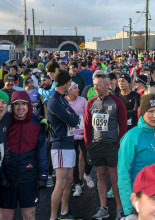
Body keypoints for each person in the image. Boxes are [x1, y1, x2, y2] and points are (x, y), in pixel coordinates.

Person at [118, 94, 155, 217]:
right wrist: (129, 208)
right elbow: (123, 174)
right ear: (142, 112)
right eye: (150, 111)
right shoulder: (131, 137)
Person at [84, 71, 127, 220]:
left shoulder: (117, 102)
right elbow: (87, 127)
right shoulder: (90, 103)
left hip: (112, 146)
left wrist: (118, 144)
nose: (96, 88)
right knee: (100, 177)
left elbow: (122, 127)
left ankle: (120, 208)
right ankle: (103, 208)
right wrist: (88, 145)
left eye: (99, 85)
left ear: (108, 85)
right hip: (96, 146)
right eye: (95, 85)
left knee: (114, 178)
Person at [0, 91, 48, 220]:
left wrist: (43, 175)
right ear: (12, 106)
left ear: (28, 106)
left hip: (29, 178)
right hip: (7, 177)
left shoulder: (38, 126)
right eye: (16, 104)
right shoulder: (5, 122)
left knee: (28, 215)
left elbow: (42, 153)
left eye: (23, 104)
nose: (20, 108)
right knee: (5, 216)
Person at [48, 69, 80, 220]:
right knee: (60, 183)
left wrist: (71, 115)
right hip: (60, 144)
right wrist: (71, 116)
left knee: (68, 181)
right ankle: (53, 217)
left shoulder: (62, 99)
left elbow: (74, 117)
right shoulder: (55, 101)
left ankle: (64, 212)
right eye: (69, 82)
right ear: (65, 83)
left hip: (68, 143)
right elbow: (73, 120)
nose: (70, 84)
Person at [65, 82, 94, 197]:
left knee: (90, 156)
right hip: (70, 134)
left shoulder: (82, 100)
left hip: (83, 133)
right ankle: (77, 185)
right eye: (75, 88)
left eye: (77, 87)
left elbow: (89, 114)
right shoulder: (64, 102)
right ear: (68, 90)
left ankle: (86, 174)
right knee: (74, 161)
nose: (78, 90)